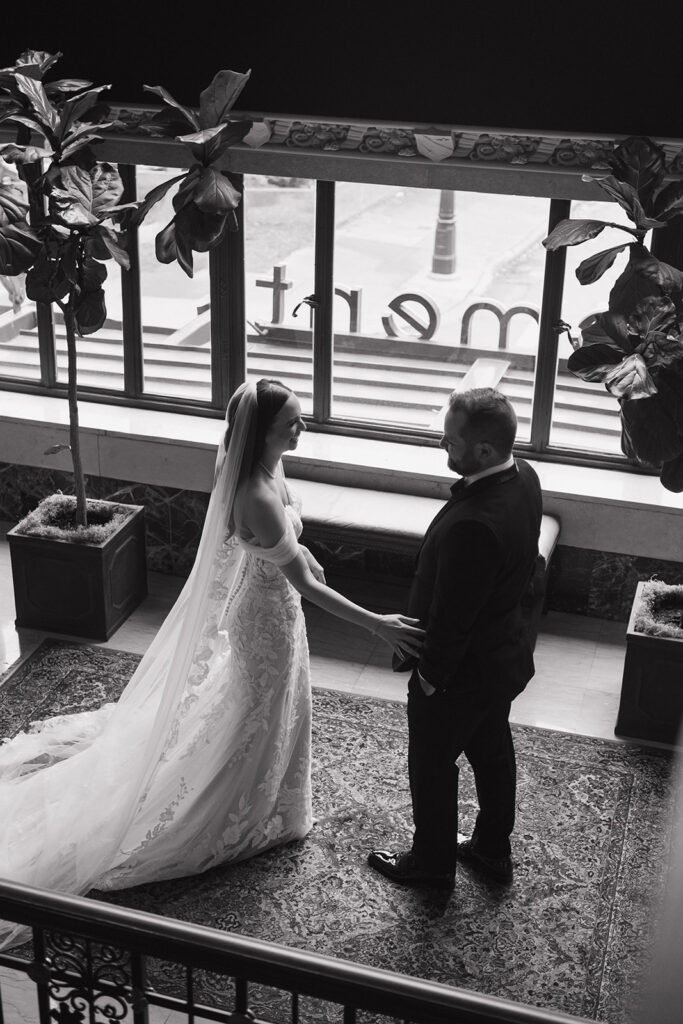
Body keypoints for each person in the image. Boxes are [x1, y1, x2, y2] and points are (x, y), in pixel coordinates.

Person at [0, 378, 423, 949]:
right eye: (291, 424)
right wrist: (379, 624)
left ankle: (275, 798)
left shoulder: (269, 470)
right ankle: (230, 809)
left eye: (299, 419)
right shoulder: (255, 492)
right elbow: (298, 578)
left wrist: (305, 553)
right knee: (259, 707)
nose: (302, 428)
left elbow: (284, 550)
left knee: (278, 705)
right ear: (263, 433)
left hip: (275, 604)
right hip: (265, 618)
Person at [368, 387, 542, 890]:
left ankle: (431, 864)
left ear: (484, 450)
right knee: (491, 749)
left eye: (451, 442)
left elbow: (452, 617)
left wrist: (429, 678)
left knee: (432, 764)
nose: (444, 447)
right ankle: (491, 849)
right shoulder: (524, 475)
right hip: (502, 657)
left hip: (461, 672)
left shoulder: (474, 525)